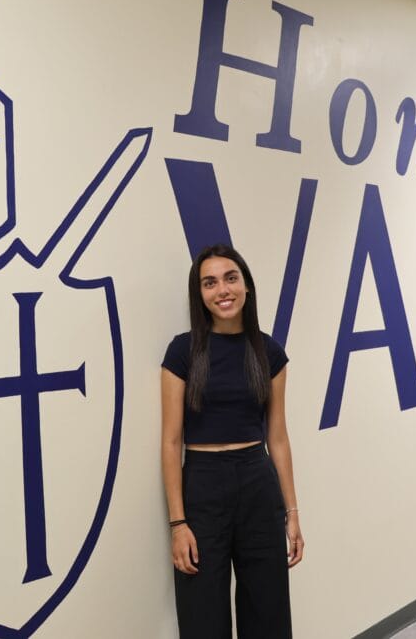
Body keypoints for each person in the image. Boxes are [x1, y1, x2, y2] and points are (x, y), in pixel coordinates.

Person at [161, 244, 304, 638]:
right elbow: (171, 442)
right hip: (202, 487)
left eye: (230, 278)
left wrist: (292, 512)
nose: (222, 290)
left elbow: (278, 437)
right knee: (202, 617)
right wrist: (178, 523)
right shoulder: (182, 352)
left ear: (246, 286)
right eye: (209, 283)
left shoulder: (268, 352)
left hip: (258, 484)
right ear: (199, 295)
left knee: (268, 612)